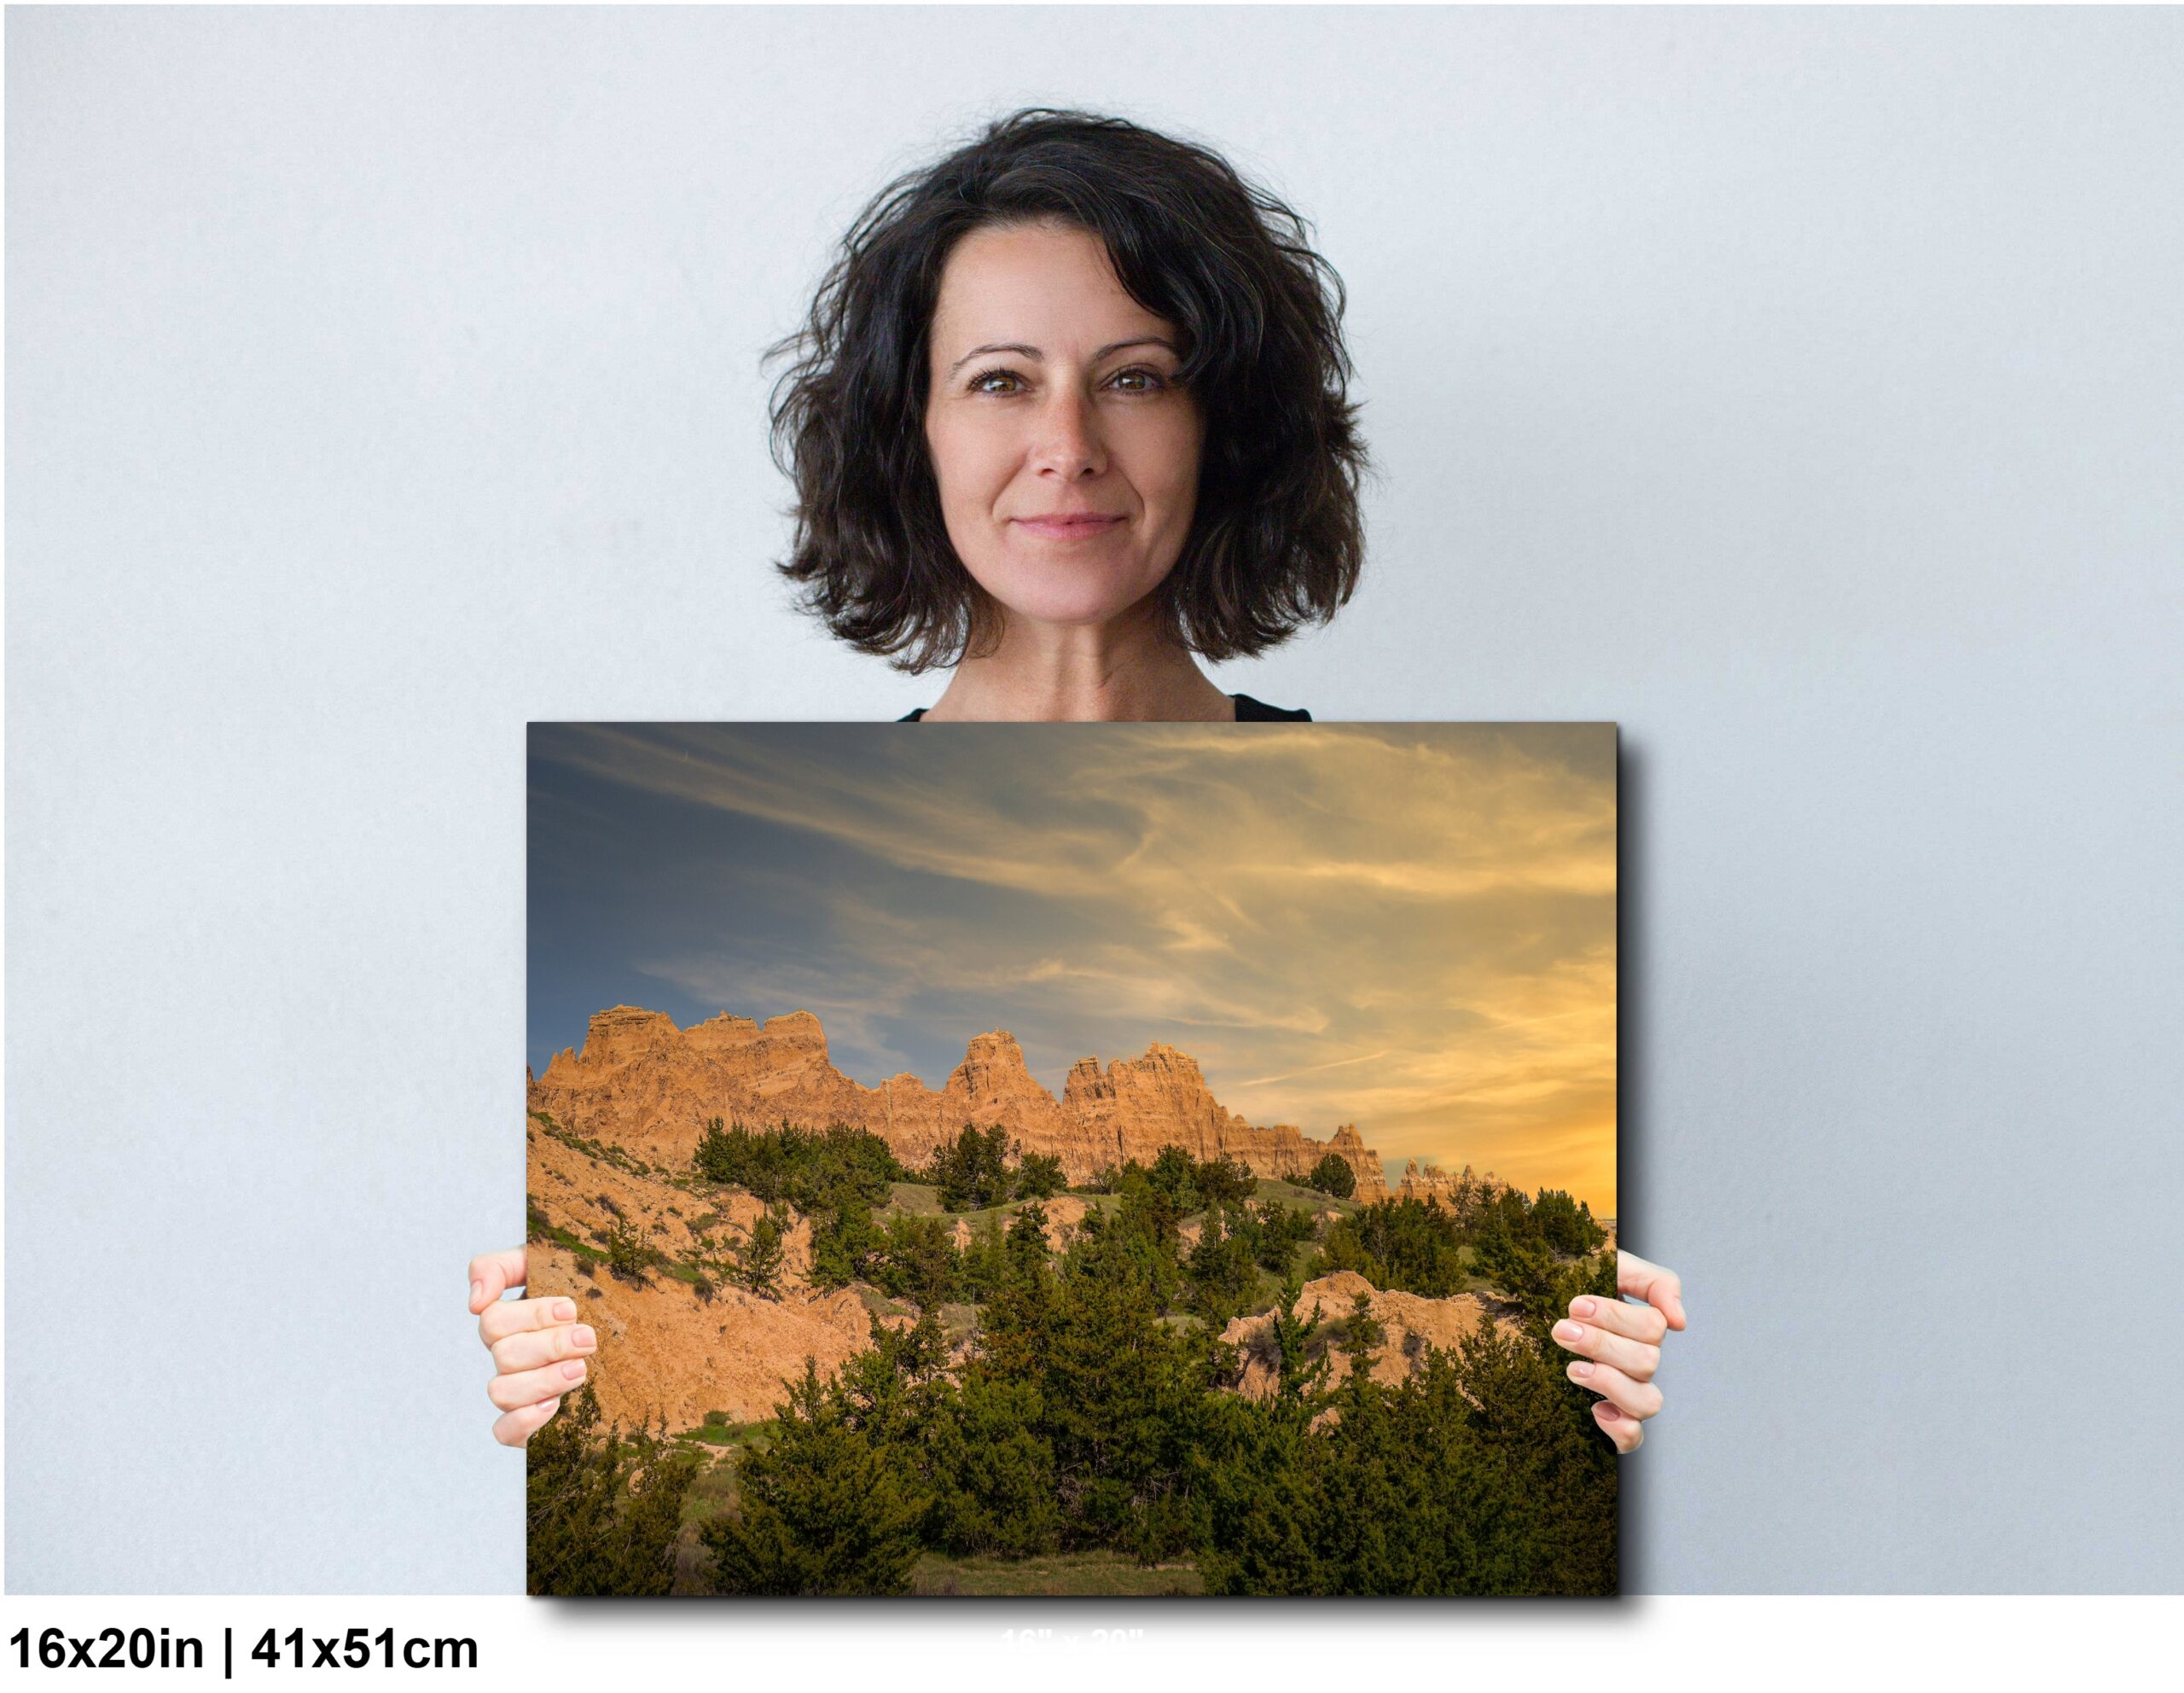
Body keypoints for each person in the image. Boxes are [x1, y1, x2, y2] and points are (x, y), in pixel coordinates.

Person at [472, 108, 1684, 1453]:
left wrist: (1594, 1387)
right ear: (911, 430)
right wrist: (563, 1372)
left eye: (1137, 376)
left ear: (1223, 427)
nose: (1069, 445)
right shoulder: (770, 804)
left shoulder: (1418, 818)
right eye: (1000, 380)